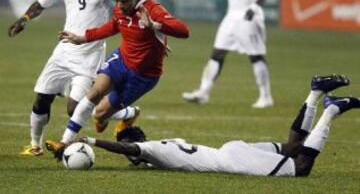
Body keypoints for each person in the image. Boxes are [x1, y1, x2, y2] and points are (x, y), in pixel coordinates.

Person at [79, 74, 358, 177]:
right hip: (231, 150)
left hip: (231, 161)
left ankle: (332, 109)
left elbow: (122, 147)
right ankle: (315, 93)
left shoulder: (151, 150)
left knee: (301, 167)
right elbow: (129, 146)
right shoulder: (165, 143)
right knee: (293, 147)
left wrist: (90, 142)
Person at [45, 0, 190, 159]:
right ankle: (64, 143)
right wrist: (82, 38)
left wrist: (154, 26)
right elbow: (115, 25)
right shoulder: (120, 8)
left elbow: (184, 31)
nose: (120, 6)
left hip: (143, 75)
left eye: (124, 1)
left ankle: (129, 113)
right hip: (120, 61)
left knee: (99, 114)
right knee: (94, 94)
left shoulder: (153, 10)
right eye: (117, 1)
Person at [8, 0, 116, 156]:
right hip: (64, 52)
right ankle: (35, 145)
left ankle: (122, 114)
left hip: (90, 56)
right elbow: (40, 4)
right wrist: (23, 20)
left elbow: (130, 0)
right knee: (41, 99)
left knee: (74, 109)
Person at [182, 0, 273, 108]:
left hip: (249, 16)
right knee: (217, 53)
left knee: (255, 56)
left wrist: (254, 8)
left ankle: (266, 96)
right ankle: (203, 92)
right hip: (231, 16)